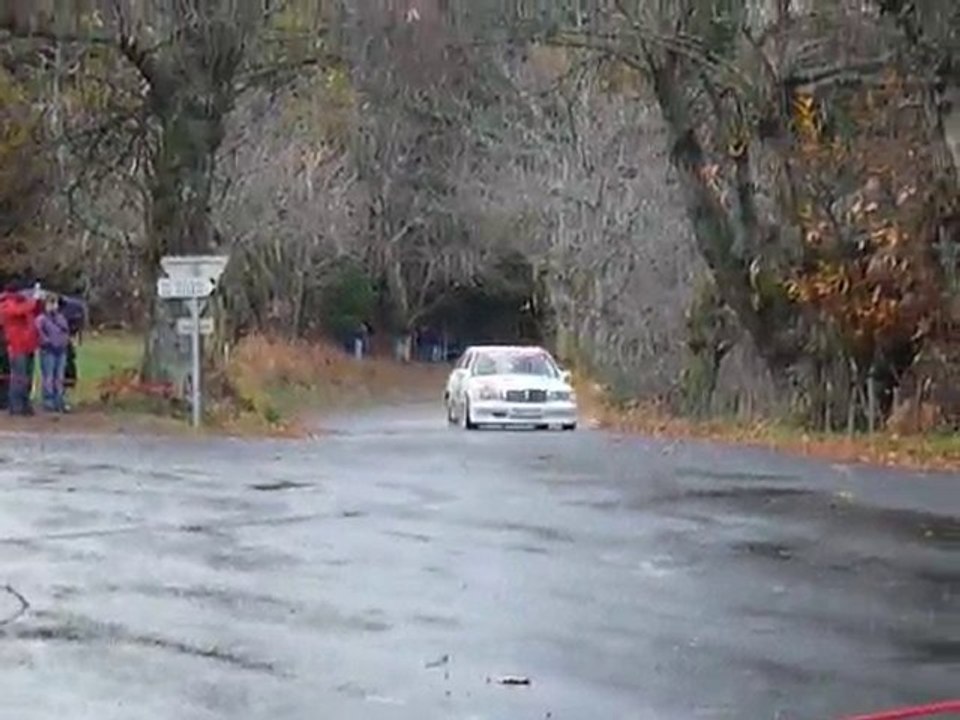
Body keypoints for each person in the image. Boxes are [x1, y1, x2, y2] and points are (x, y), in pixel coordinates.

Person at [0, 283, 42, 416]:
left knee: (27, 378)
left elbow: (35, 312)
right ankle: (15, 406)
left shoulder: (23, 303)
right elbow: (17, 311)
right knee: (19, 377)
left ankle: (25, 405)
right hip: (16, 346)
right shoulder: (6, 304)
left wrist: (37, 302)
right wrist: (33, 300)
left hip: (28, 345)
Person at [35, 293, 70, 412]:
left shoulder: (60, 318)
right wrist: (47, 342)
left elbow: (65, 330)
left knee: (59, 376)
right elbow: (39, 333)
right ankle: (48, 401)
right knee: (48, 376)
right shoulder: (41, 319)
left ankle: (59, 399)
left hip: (61, 350)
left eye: (55, 303)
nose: (53, 305)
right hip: (48, 350)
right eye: (51, 303)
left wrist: (64, 342)